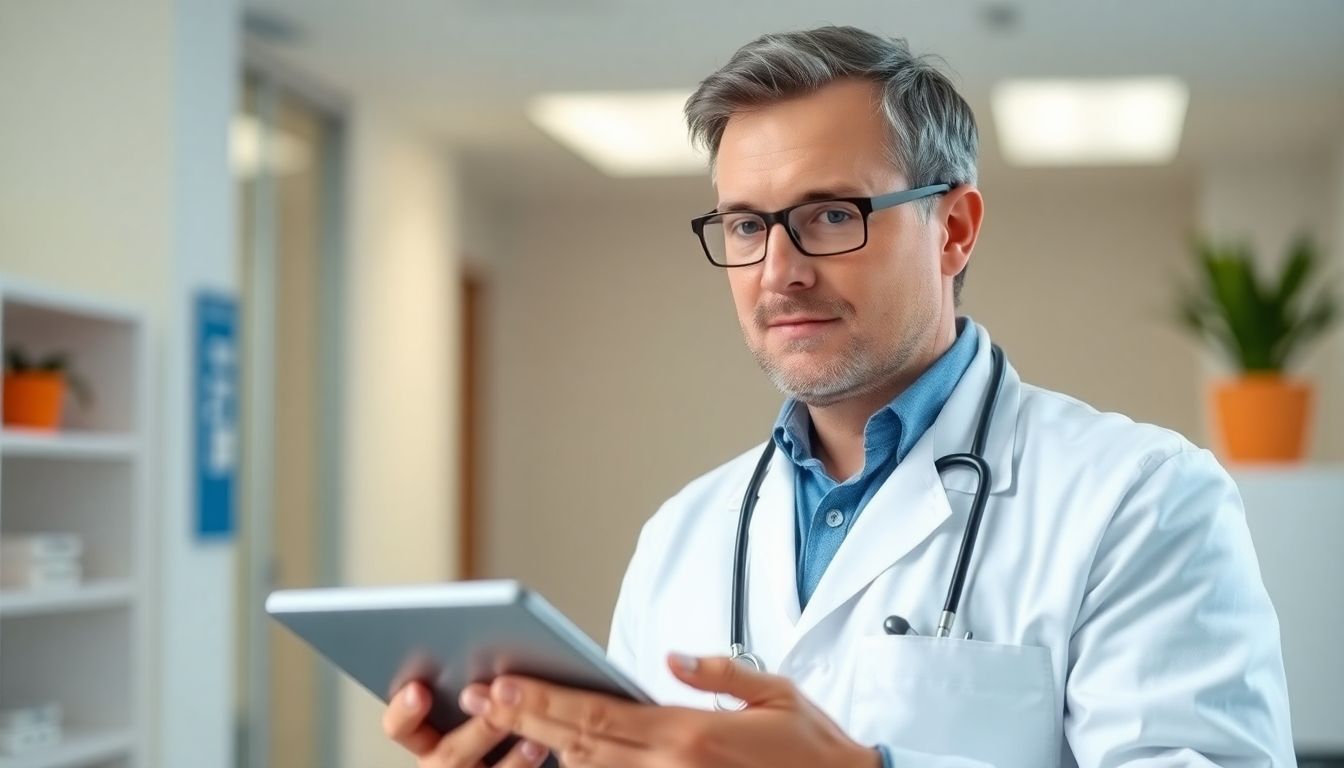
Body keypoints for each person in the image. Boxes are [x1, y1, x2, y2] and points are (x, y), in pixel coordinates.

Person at [383, 25, 1295, 767]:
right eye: (746, 224)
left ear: (954, 229)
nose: (779, 272)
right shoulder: (682, 537)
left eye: (829, 215)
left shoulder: (1141, 498)